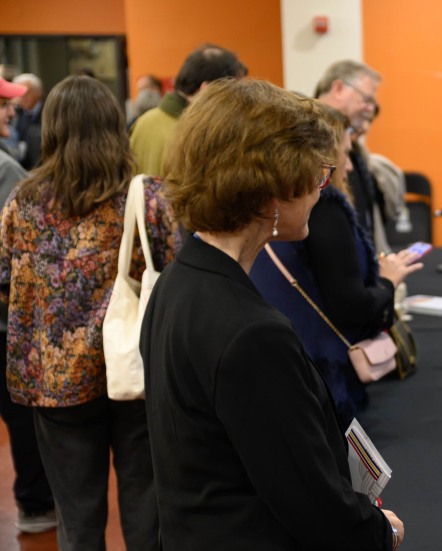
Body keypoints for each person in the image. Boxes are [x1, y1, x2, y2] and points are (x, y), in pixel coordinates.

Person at [142, 78, 404, 550]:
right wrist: (379, 531)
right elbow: (308, 499)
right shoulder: (252, 334)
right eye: (316, 178)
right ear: (271, 188)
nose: (321, 192)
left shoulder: (178, 282)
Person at [0, 75, 181, 549]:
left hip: (56, 384)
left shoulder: (24, 203)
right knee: (148, 511)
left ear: (53, 129)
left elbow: (5, 281)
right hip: (136, 373)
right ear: (115, 127)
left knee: (77, 520)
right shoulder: (148, 198)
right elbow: (178, 276)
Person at [250, 106, 423, 428]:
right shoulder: (326, 206)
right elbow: (350, 305)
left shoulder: (276, 201)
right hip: (325, 373)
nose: (348, 164)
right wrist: (388, 281)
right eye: (344, 153)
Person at [0, 76, 56, 534]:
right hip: (4, 325)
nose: (10, 113)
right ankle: (36, 506)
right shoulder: (7, 174)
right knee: (23, 418)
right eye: (2, 105)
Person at [129, 43, 247, 175]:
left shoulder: (142, 123)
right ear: (207, 89)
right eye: (232, 92)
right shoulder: (197, 134)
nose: (235, 101)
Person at [315, 60, 386, 248]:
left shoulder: (353, 146)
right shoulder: (310, 140)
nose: (370, 109)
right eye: (367, 99)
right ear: (338, 88)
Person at [11, 73, 43, 169]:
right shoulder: (14, 113)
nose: (21, 97)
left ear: (38, 92)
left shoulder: (48, 112)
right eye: (18, 93)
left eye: (25, 93)